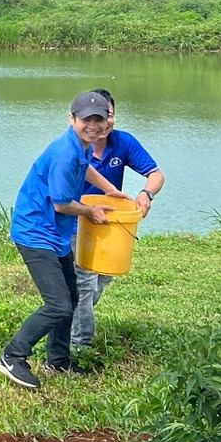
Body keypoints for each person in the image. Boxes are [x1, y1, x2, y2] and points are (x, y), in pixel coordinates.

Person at [0, 91, 128, 390]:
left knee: (72, 296)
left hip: (55, 233)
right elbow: (62, 204)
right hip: (35, 233)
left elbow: (86, 168)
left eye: (99, 119)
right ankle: (12, 356)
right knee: (58, 305)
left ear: (107, 121)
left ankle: (57, 360)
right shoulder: (65, 154)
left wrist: (109, 190)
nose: (93, 126)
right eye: (86, 120)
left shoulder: (80, 146)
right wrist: (91, 211)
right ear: (72, 119)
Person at [71, 88, 165, 354]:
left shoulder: (123, 142)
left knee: (103, 279)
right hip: (77, 224)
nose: (99, 124)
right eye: (90, 118)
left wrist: (146, 194)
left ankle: (69, 317)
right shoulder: (75, 145)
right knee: (85, 283)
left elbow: (156, 175)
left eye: (106, 116)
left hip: (109, 226)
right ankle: (80, 345)